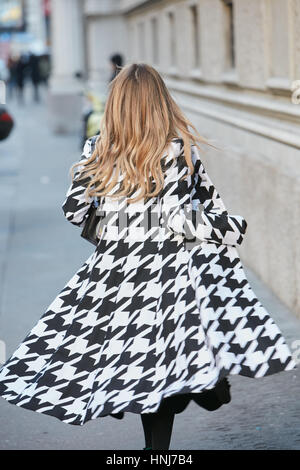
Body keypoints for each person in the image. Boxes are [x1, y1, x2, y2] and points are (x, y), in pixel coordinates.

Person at [0, 63, 296, 450]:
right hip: (170, 269)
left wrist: (113, 228)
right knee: (169, 353)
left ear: (116, 105)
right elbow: (191, 211)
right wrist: (219, 226)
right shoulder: (177, 149)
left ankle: (165, 434)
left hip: (116, 270)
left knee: (140, 362)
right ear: (160, 102)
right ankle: (201, 394)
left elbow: (74, 210)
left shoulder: (98, 148)